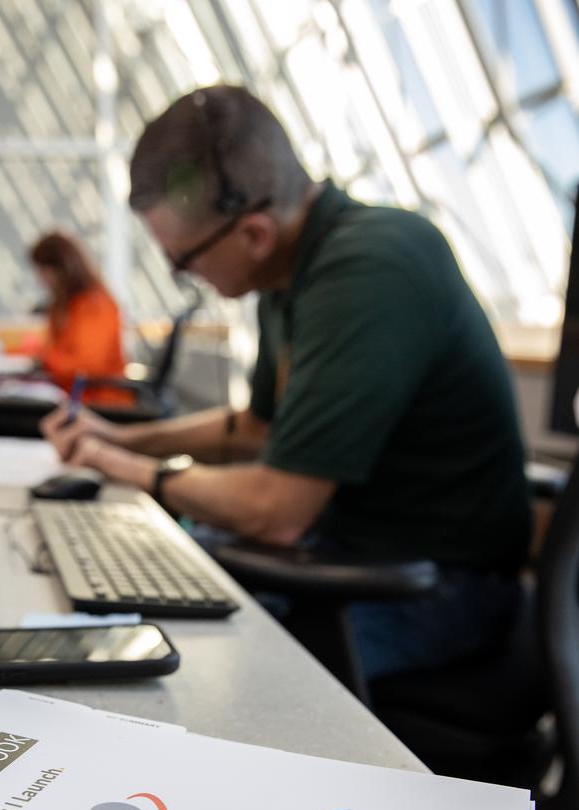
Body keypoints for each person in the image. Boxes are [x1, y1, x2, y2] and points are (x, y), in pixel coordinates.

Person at [39, 85, 531, 680]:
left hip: (435, 589)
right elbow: (257, 428)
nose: (182, 274)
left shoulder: (369, 269)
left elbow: (278, 511)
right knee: (132, 616)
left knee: (199, 678)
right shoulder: (289, 273)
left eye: (182, 262)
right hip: (347, 557)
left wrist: (132, 471)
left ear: (253, 235)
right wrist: (118, 438)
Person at [29, 231, 128, 401]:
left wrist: (45, 360)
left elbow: (87, 366)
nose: (41, 281)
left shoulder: (96, 305)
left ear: (62, 269)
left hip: (99, 402)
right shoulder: (64, 306)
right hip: (69, 396)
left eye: (44, 272)